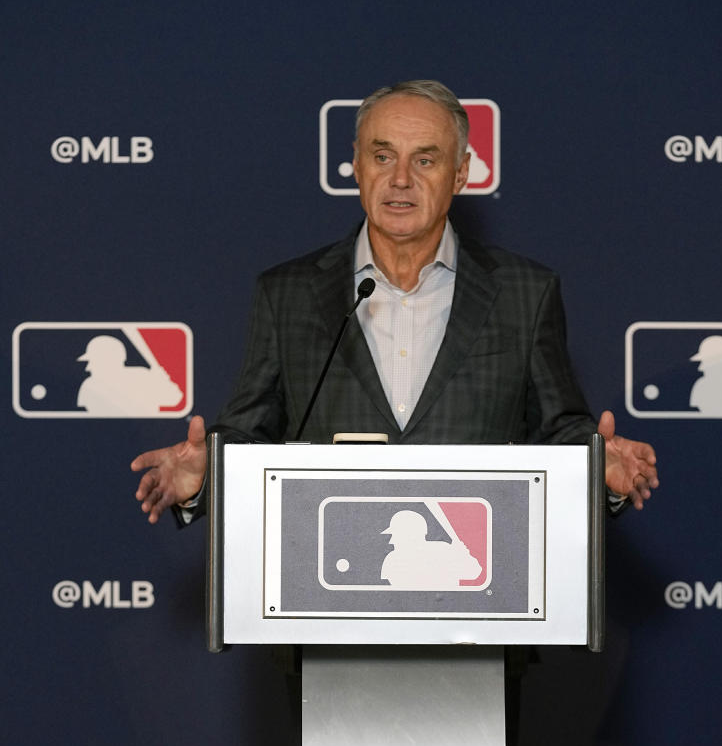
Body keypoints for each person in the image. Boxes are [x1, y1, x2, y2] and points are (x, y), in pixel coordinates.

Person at [131, 80, 658, 522]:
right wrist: (206, 477)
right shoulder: (287, 292)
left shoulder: (526, 292)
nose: (400, 178)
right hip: (327, 592)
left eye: (425, 160)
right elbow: (248, 437)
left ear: (460, 174)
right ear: (357, 166)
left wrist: (600, 470)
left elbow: (560, 434)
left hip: (479, 594)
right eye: (382, 156)